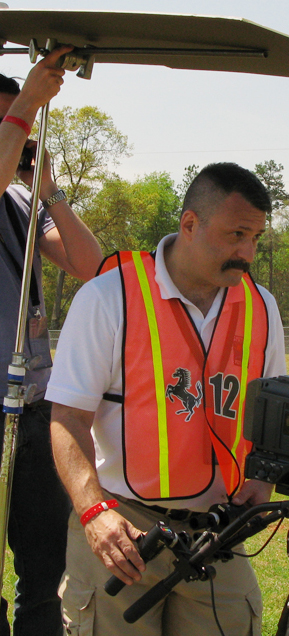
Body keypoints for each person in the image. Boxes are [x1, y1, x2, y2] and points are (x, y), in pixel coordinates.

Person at [47, 162, 287, 636]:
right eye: (237, 234)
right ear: (190, 224)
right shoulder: (108, 296)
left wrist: (262, 475)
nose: (248, 253)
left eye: (256, 238)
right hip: (122, 527)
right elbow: (67, 420)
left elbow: (270, 412)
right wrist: (96, 514)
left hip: (219, 532)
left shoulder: (263, 306)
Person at [0, 47, 103, 636]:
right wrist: (28, 101)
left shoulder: (19, 201)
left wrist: (51, 191)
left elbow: (90, 264)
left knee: (45, 569)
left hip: (33, 409)